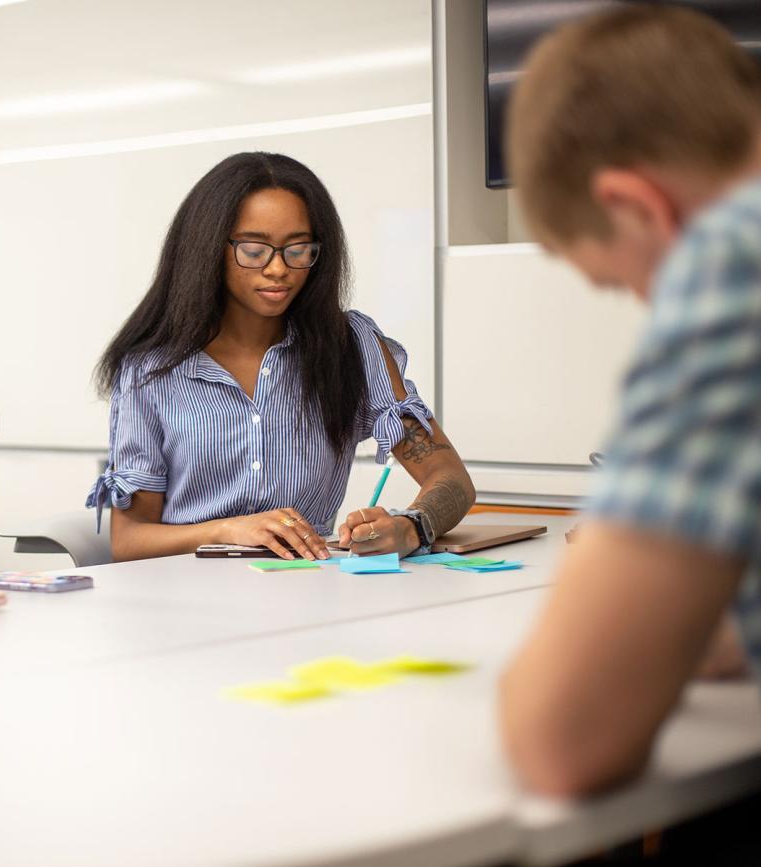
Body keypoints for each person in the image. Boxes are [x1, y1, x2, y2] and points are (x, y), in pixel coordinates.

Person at [498, 6, 761, 796]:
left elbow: (565, 739)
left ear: (636, 207)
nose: (655, 308)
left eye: (624, 282)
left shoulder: (732, 255)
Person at [86, 152, 475, 562]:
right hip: (189, 597)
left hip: (310, 590)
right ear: (209, 249)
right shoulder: (151, 369)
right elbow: (129, 541)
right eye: (255, 251)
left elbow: (449, 478)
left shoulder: (352, 346)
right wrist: (229, 529)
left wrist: (410, 525)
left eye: (298, 249)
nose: (278, 269)